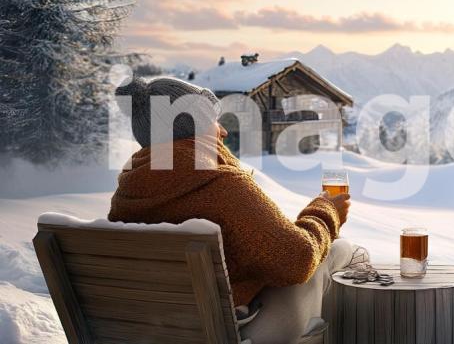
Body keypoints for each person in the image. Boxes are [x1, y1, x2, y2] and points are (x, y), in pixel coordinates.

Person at [109, 76, 353, 344]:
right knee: (342, 250)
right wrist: (326, 210)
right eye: (214, 121)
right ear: (194, 127)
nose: (223, 131)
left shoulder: (128, 192)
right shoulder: (219, 184)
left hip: (150, 330)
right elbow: (297, 259)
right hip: (226, 332)